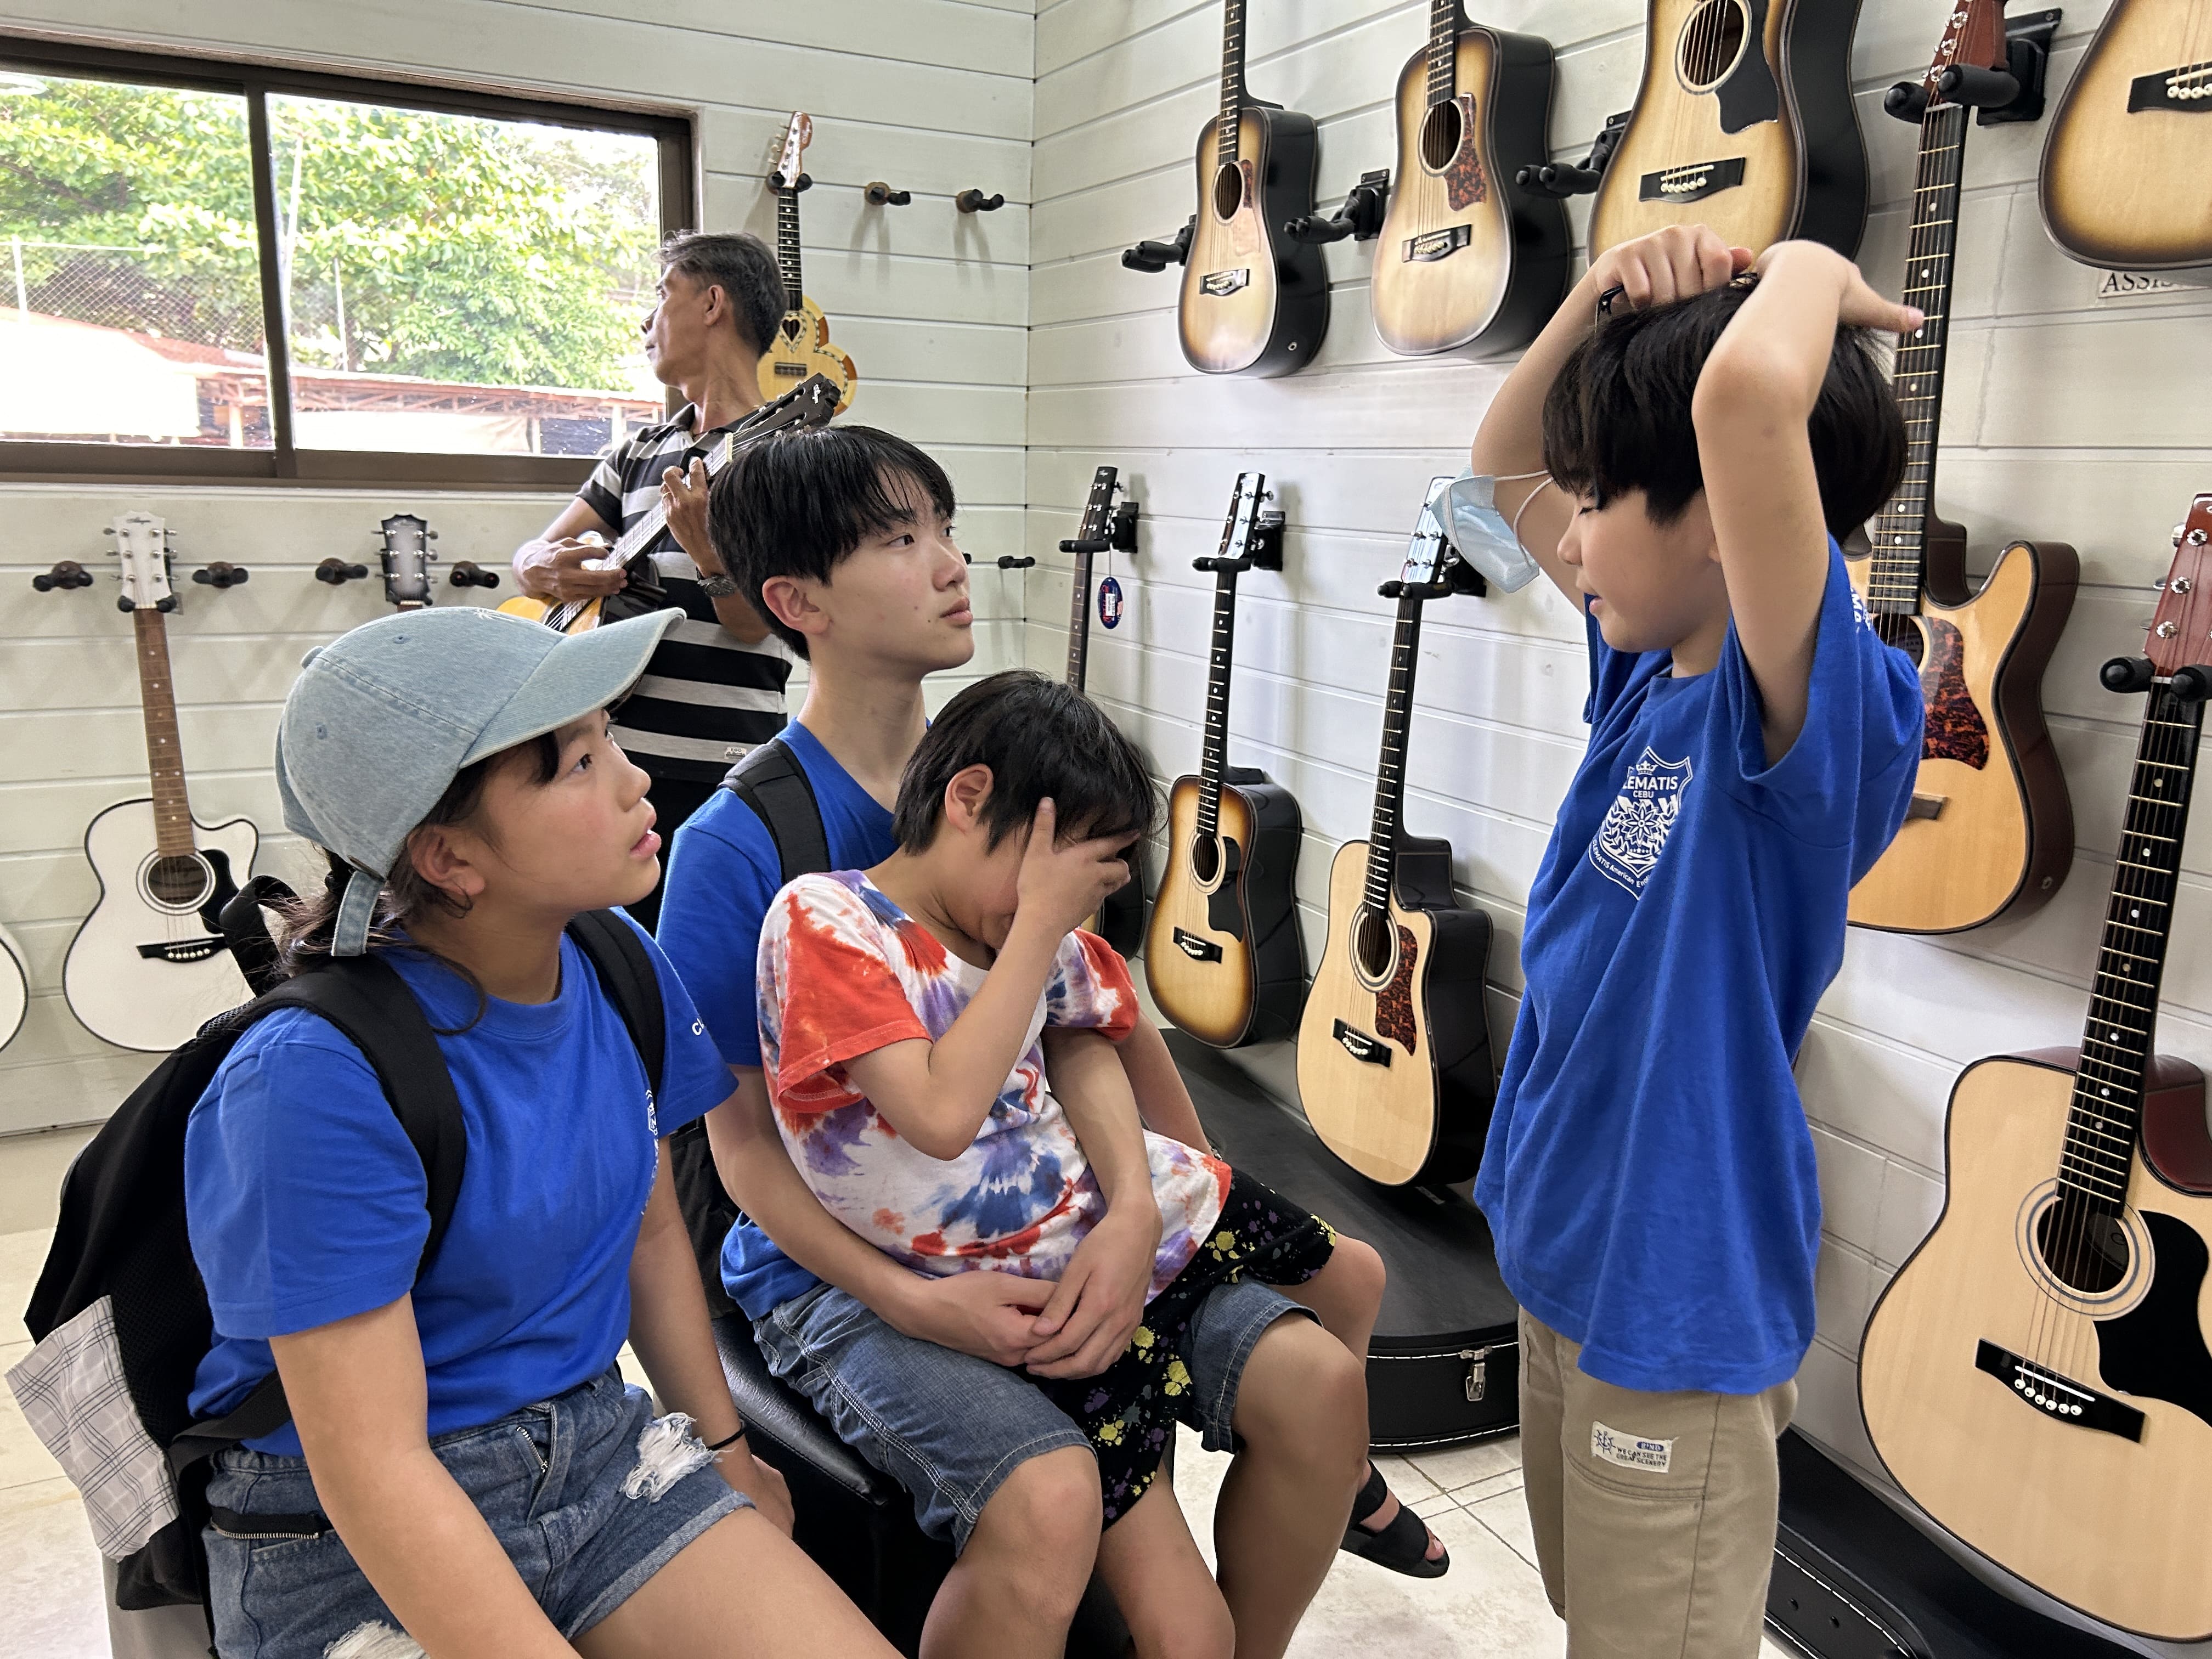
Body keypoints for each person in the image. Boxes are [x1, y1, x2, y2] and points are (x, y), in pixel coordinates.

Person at [653, 427, 1439, 1659]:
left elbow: (1090, 1026)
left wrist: (1146, 1216)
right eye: (900, 540)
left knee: (1325, 1379)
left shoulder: (1017, 766)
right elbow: (740, 1157)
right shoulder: (745, 850)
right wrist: (920, 1303)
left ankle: (1319, 1521)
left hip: (1058, 1201)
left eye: (947, 530)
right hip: (863, 1258)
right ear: (797, 602)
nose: (950, 565)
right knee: (1081, 1507)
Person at [182, 605, 893, 1659]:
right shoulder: (311, 1079)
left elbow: (654, 1229)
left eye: (610, 735)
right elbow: (373, 1466)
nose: (634, 780)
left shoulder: (617, 961)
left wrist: (726, 1448)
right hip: (344, 1534)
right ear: (449, 856)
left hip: (599, 1451)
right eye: (576, 763)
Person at [1464, 224, 1926, 1655]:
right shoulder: (1646, 675)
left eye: (1601, 497)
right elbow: (1498, 467)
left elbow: (1742, 402)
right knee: (1594, 1613)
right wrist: (1599, 296)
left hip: (1676, 1303)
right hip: (1564, 1259)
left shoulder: (1808, 725)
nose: (1570, 533)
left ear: (1723, 512)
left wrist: (1805, 267)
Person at [757, 668, 1395, 1659]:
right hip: (1025, 1280)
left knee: (1355, 1276)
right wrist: (1041, 922)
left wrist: (1140, 1199)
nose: (1067, 911)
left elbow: (1089, 1037)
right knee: (1189, 1629)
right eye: (1065, 877)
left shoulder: (1023, 932)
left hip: (1094, 1219)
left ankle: (1348, 1473)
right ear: (969, 798)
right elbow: (938, 1115)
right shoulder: (827, 918)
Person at [509, 230, 791, 930]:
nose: (646, 320)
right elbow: (533, 557)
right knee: (609, 953)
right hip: (610, 762)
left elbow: (759, 626)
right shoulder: (637, 451)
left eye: (663, 295)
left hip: (722, 770)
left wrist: (710, 556)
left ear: (713, 303)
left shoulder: (783, 456)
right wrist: (539, 566)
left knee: (702, 959)